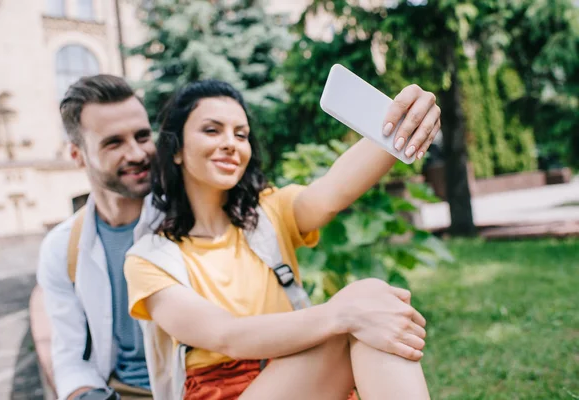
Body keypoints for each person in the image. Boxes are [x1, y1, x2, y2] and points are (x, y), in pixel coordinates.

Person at [124, 79, 441, 399]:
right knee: (364, 304)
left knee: (369, 302)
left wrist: (405, 123)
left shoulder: (267, 216)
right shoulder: (149, 258)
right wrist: (343, 312)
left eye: (241, 134)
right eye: (211, 130)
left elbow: (333, 192)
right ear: (176, 149)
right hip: (224, 390)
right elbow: (225, 336)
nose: (230, 143)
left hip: (300, 371)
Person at [37, 75, 160, 400]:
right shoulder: (62, 247)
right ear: (77, 154)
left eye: (143, 136)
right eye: (114, 142)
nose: (137, 153)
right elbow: (70, 358)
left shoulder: (190, 218)